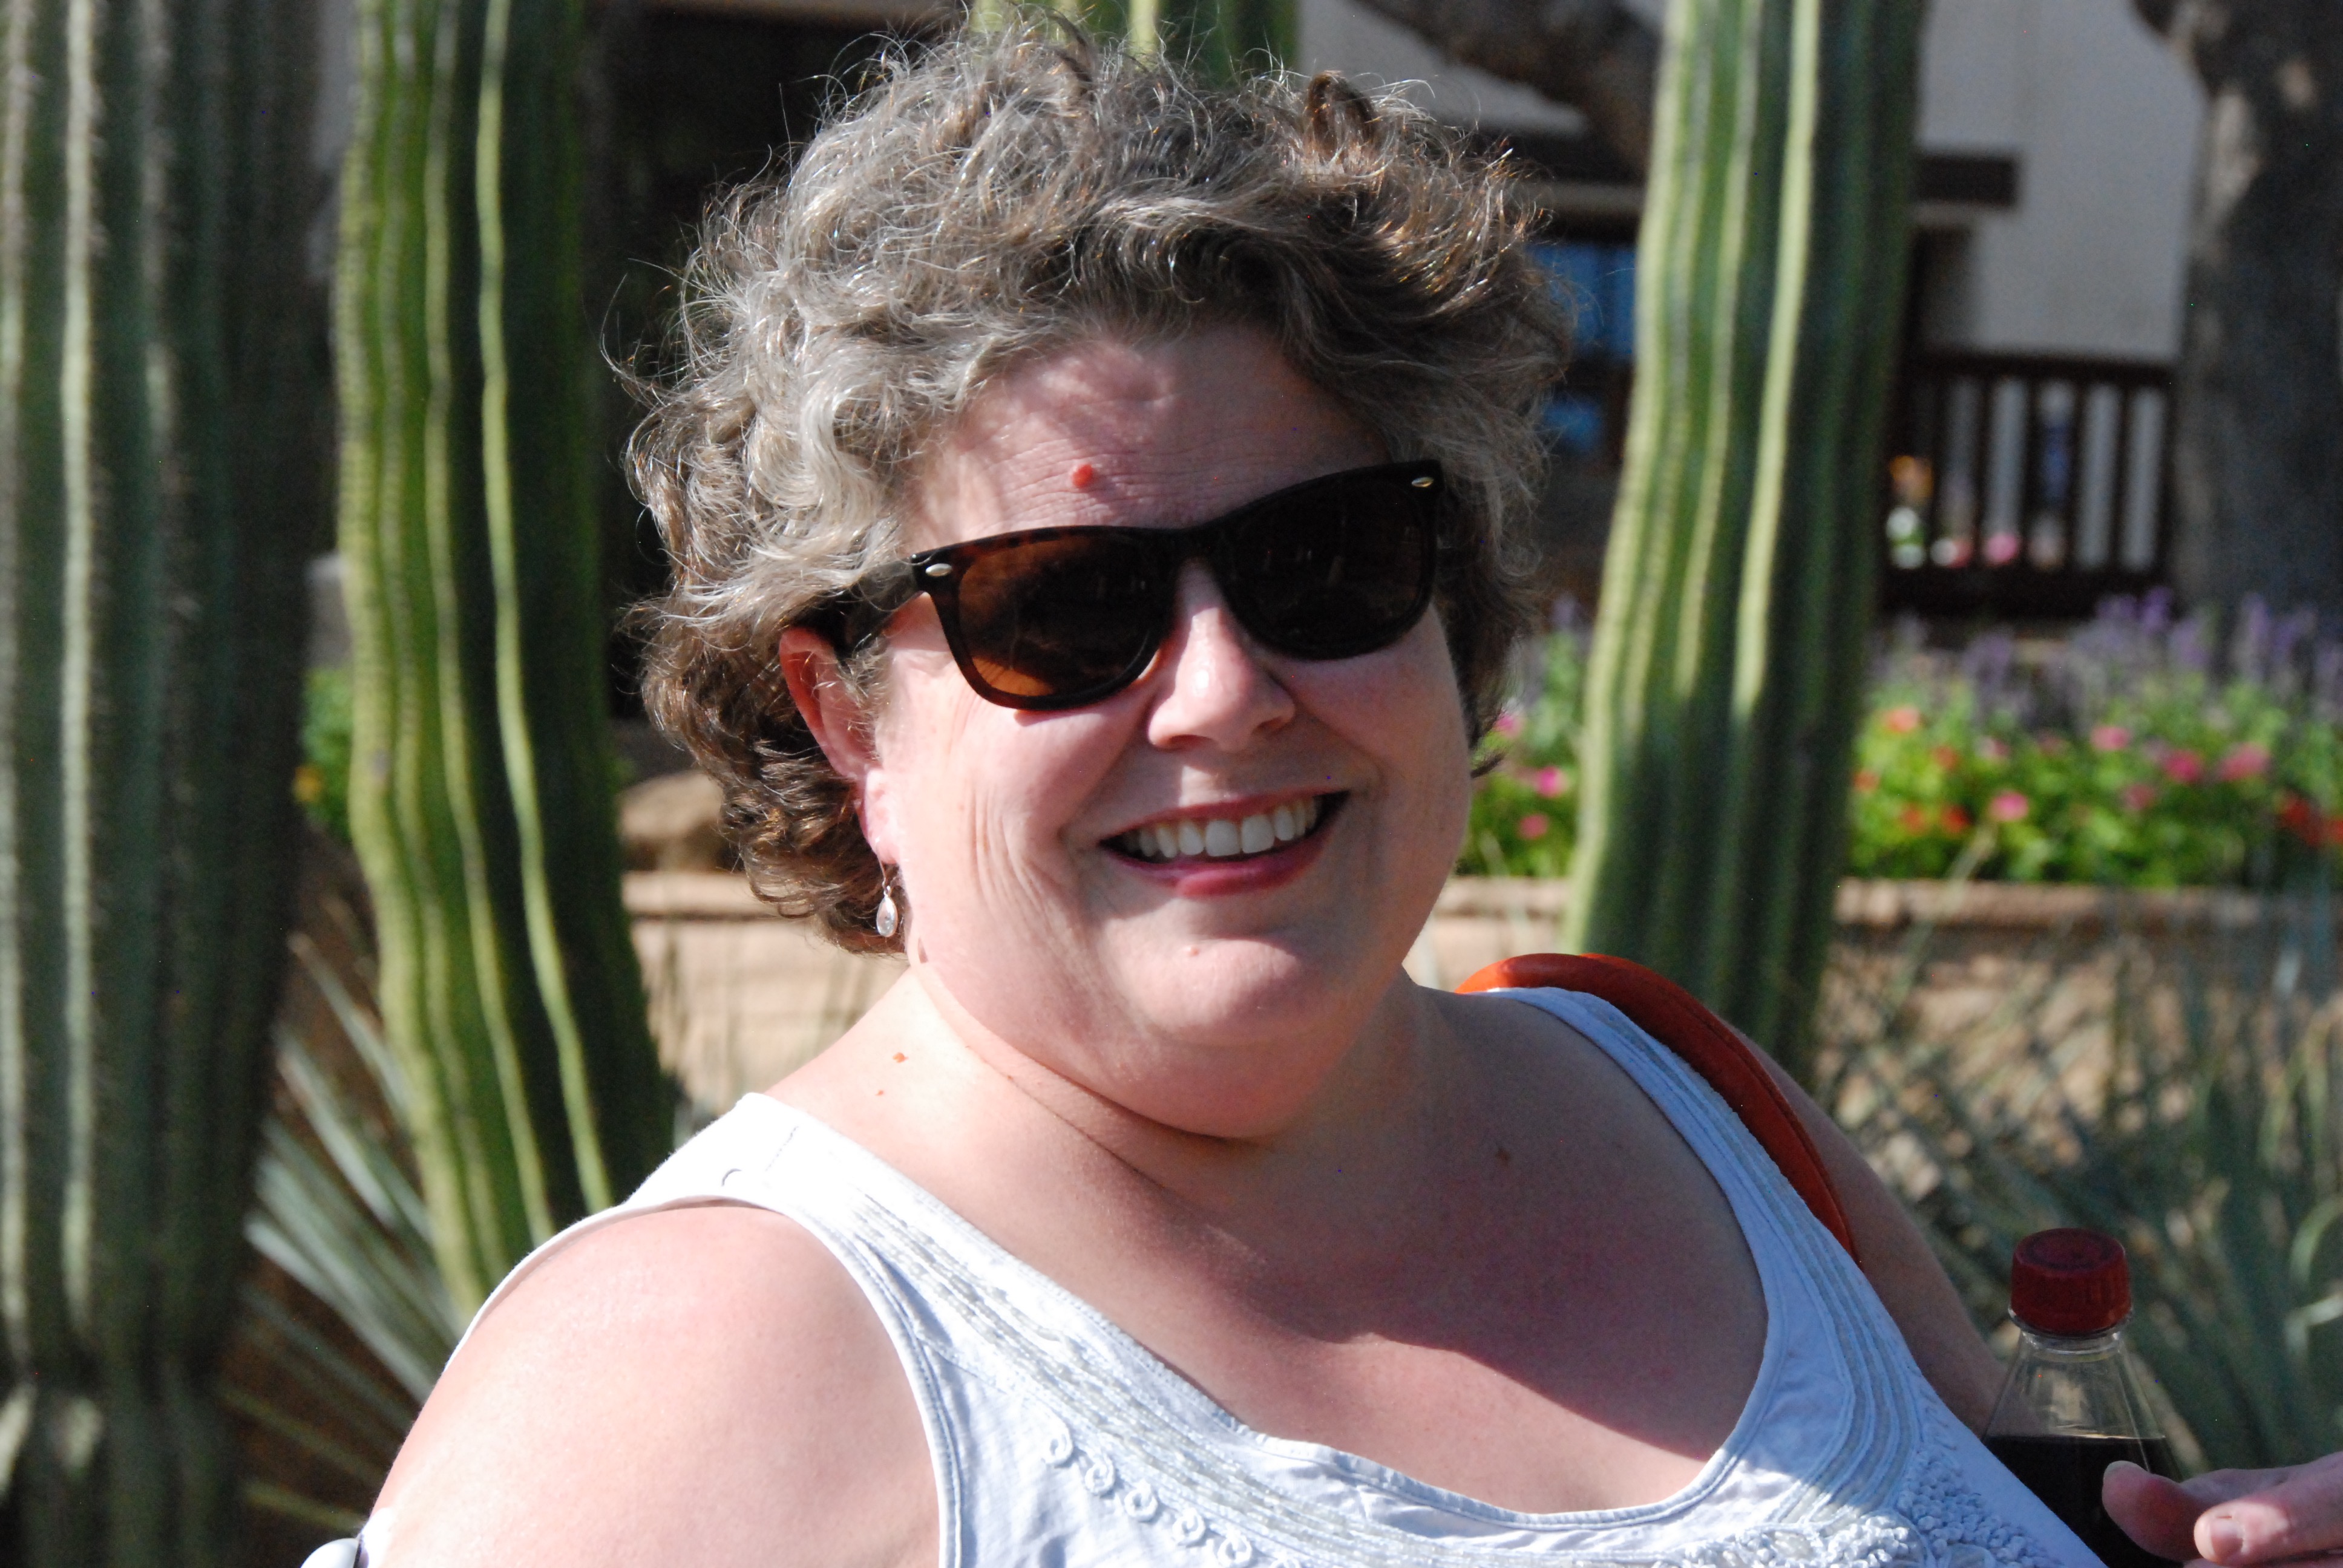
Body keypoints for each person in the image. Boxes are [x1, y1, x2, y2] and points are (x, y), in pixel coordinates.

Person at [345, 22, 2343, 1568]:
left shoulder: (1689, 1098)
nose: (1227, 690)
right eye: (1065, 607)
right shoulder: (704, 1369)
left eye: (1324, 561)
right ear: (849, 717)